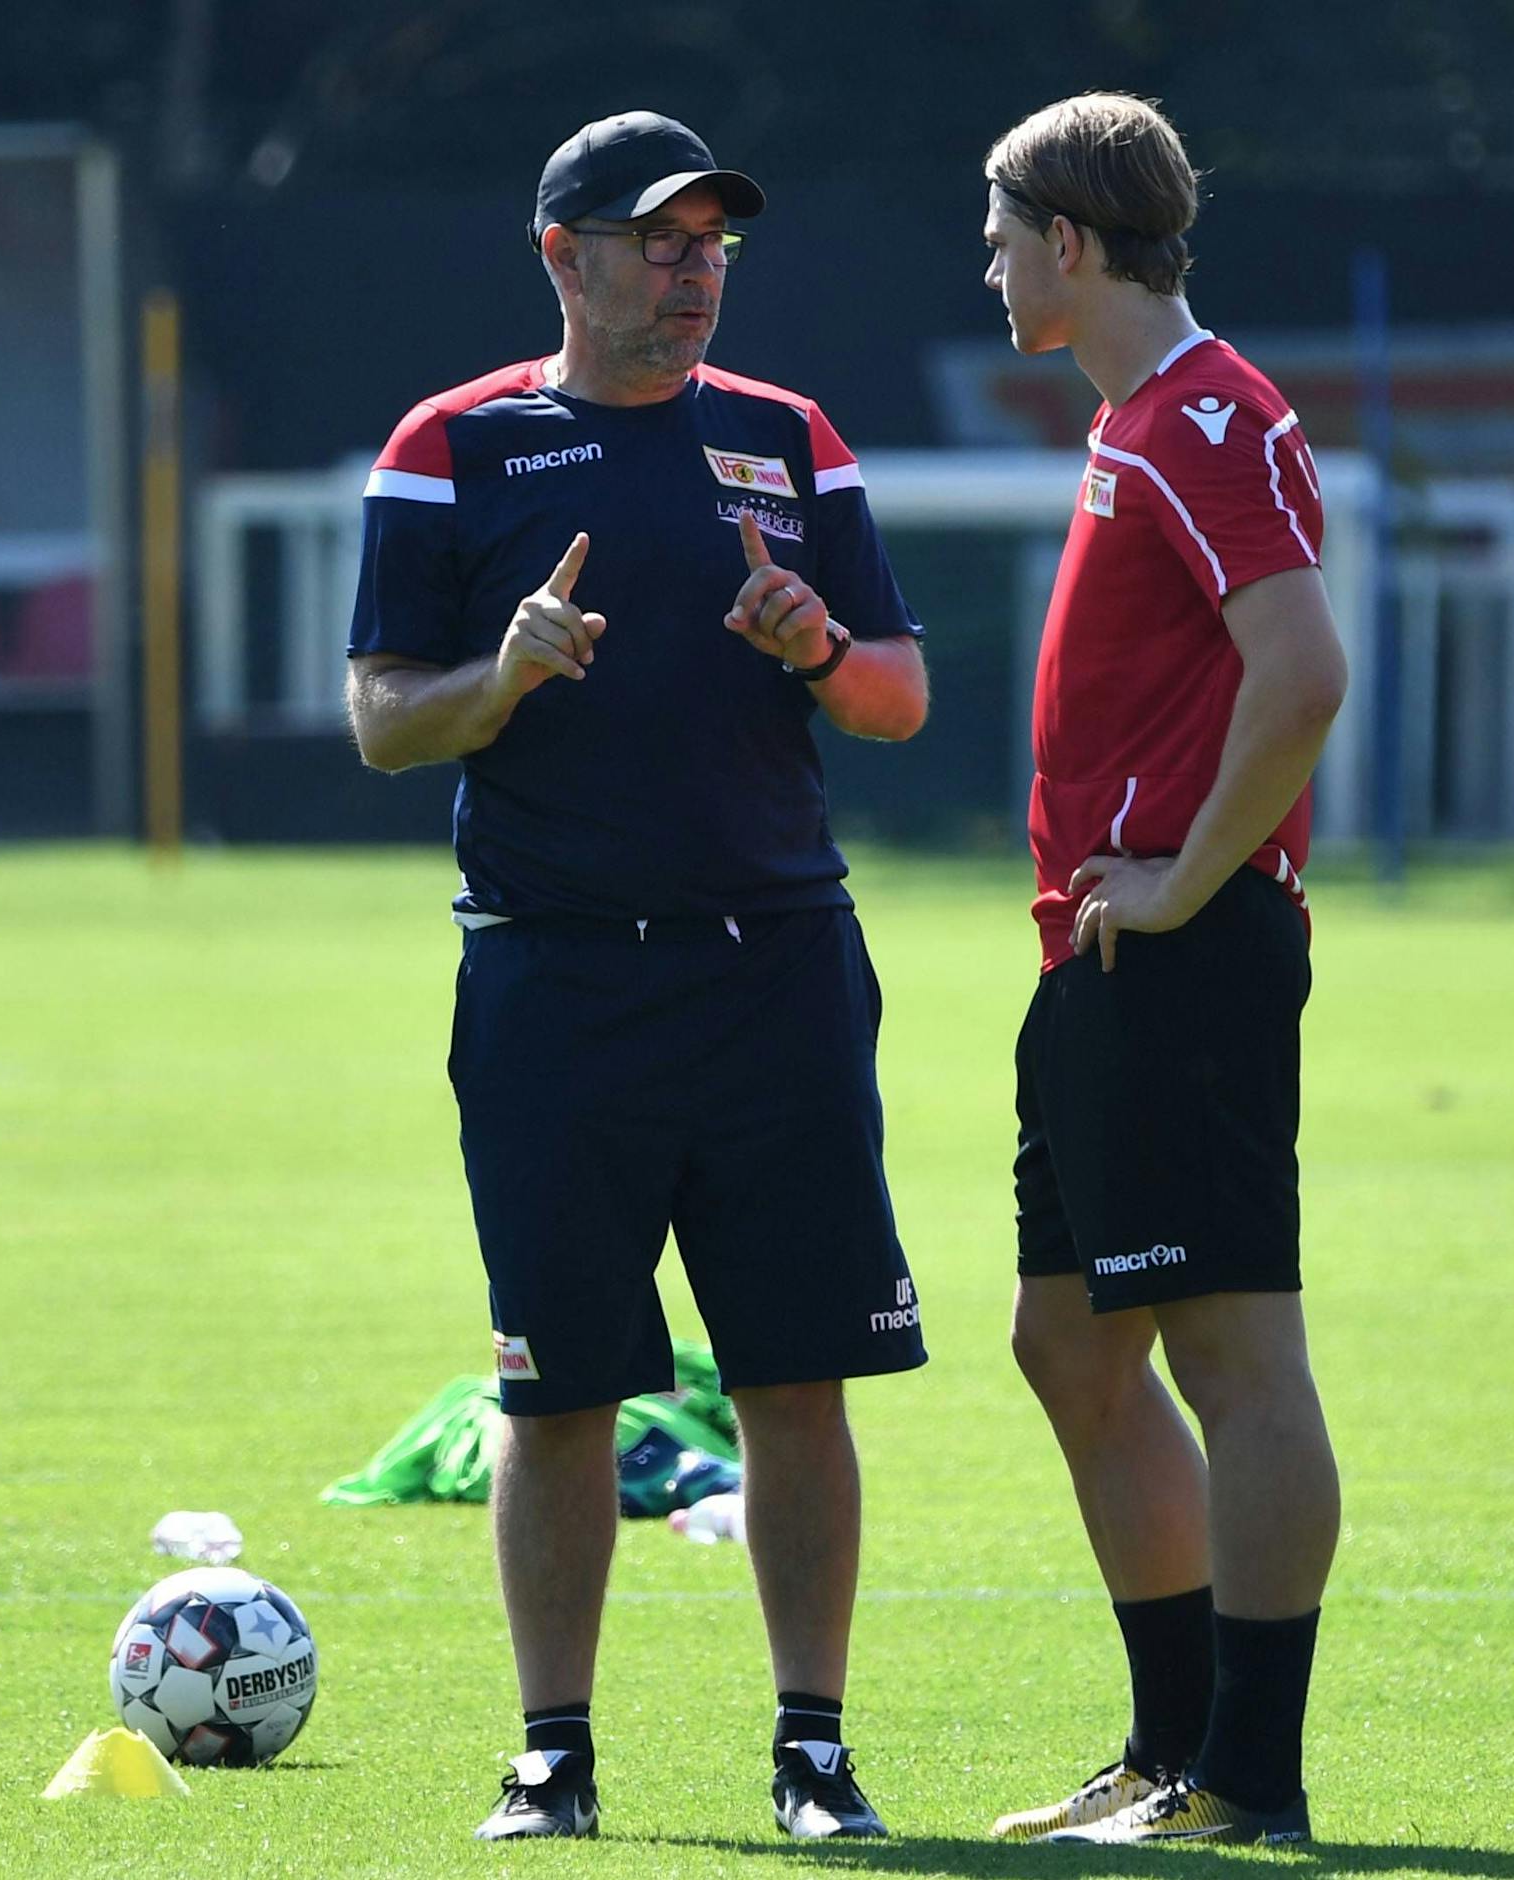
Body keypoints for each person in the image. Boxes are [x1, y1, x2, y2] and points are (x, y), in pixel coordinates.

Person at [346, 110, 930, 1842]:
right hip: (555, 980)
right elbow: (385, 728)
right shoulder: (451, 449)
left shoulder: (785, 437)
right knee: (559, 1387)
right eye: (657, 241)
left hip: (777, 970)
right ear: (564, 257)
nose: (691, 273)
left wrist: (815, 643)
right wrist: (503, 675)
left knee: (795, 1379)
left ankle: (814, 1755)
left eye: (712, 245)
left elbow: (896, 695)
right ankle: (555, 1756)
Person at [978, 94, 1347, 1846]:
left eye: (999, 234)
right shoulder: (1145, 418)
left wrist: (1195, 878)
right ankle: (1170, 1748)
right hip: (1104, 955)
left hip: (1180, 949)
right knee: (1068, 1345)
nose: (986, 267)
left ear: (1068, 240)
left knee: (1233, 1356)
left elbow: (1306, 675)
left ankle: (1247, 1783)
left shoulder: (1210, 414)